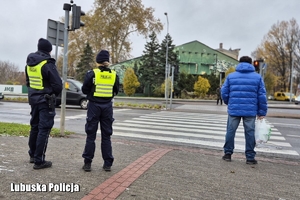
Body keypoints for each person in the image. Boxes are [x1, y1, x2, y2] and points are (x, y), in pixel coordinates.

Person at [221, 56, 267, 165]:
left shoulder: (231, 76)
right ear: (251, 64)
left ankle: (228, 154)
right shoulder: (257, 77)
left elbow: (224, 92)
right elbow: (262, 96)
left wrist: (229, 102)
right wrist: (261, 112)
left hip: (234, 110)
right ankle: (250, 157)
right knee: (250, 133)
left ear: (239, 63)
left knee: (230, 132)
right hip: (250, 111)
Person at [25, 38, 62, 169]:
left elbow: (28, 82)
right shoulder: (47, 64)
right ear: (49, 50)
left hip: (34, 100)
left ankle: (33, 155)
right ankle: (39, 160)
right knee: (44, 130)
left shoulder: (30, 63)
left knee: (34, 127)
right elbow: (58, 85)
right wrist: (51, 93)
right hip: (46, 101)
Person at [81, 50, 119, 172]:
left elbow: (84, 89)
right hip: (107, 107)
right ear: (107, 61)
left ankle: (87, 163)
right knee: (106, 136)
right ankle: (107, 163)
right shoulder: (114, 75)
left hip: (94, 106)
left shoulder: (92, 74)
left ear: (97, 61)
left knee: (91, 135)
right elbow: (116, 90)